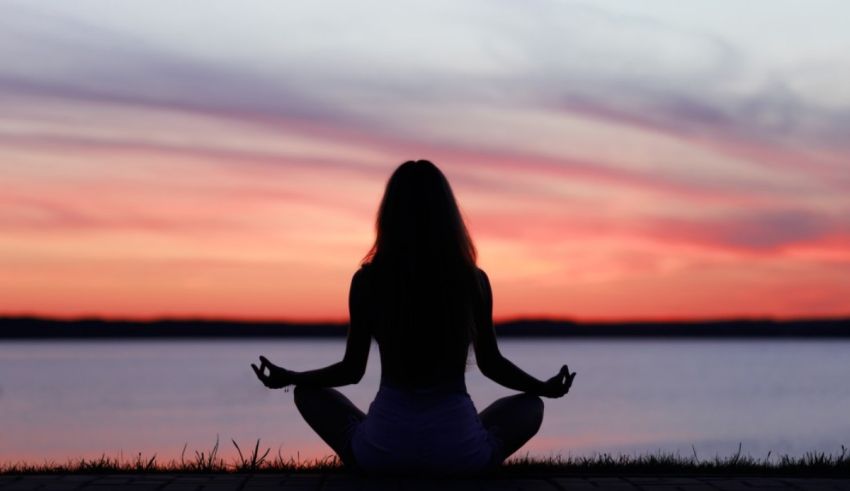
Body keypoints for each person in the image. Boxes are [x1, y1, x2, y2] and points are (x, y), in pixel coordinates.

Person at [252, 160, 576, 475]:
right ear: (449, 215)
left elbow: (351, 371)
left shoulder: (367, 281)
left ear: (389, 215)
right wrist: (542, 387)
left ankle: (368, 455)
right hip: (458, 453)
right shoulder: (472, 280)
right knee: (531, 406)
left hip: (383, 450)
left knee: (307, 392)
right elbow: (491, 363)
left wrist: (291, 376)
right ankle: (475, 457)